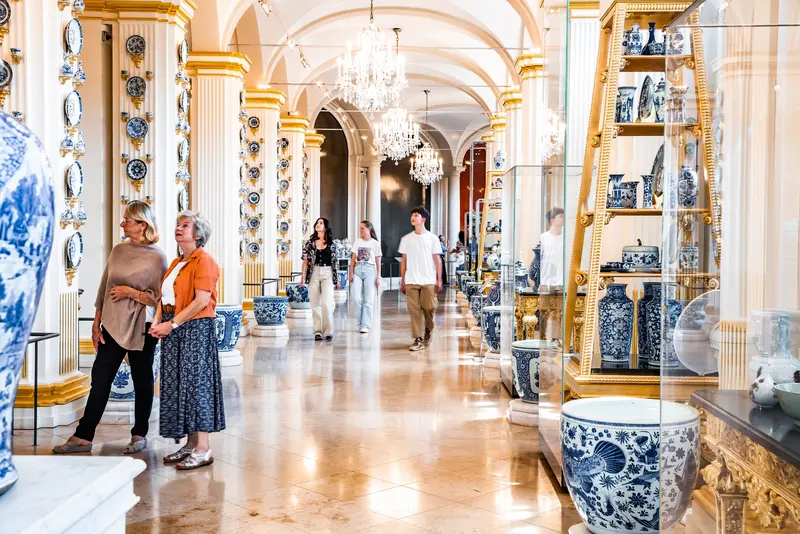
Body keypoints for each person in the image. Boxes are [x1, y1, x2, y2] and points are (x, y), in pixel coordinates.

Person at [54, 201, 168, 455]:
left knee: (143, 381)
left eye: (128, 220)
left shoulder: (158, 257)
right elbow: (104, 286)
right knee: (100, 379)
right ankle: (84, 436)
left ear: (142, 224)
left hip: (142, 327)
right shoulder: (118, 250)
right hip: (111, 324)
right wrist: (96, 323)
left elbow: (160, 298)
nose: (122, 223)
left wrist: (132, 293)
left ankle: (139, 435)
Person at [149, 212, 224, 470]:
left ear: (198, 235)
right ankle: (191, 445)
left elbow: (201, 300)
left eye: (185, 226)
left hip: (195, 328)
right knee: (179, 385)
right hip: (174, 326)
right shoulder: (176, 262)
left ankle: (204, 448)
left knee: (196, 385)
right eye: (177, 225)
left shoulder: (205, 261)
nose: (178, 229)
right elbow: (164, 296)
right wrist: (158, 321)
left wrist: (172, 324)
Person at [399, 206, 443, 351]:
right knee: (414, 310)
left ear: (423, 219)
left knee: (428, 308)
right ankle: (418, 339)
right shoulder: (406, 239)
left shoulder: (433, 238)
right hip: (411, 280)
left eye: (416, 215)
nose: (413, 217)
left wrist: (439, 279)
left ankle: (428, 330)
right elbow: (404, 260)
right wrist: (402, 279)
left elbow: (437, 259)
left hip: (428, 280)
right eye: (412, 215)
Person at [301, 217, 339, 341]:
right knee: (314, 303)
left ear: (326, 227)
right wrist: (303, 277)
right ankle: (318, 331)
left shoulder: (332, 244)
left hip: (327, 273)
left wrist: (337, 280)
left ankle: (328, 331)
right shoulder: (309, 243)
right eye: (317, 223)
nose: (318, 225)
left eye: (321, 223)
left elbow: (335, 264)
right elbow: (305, 261)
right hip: (314, 273)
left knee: (327, 303)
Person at [349, 220, 382, 334]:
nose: (360, 230)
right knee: (356, 298)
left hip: (370, 270)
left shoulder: (375, 244)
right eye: (360, 228)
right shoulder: (357, 241)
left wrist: (378, 277)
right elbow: (352, 259)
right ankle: (359, 323)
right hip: (358, 269)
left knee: (368, 299)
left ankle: (365, 325)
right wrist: (351, 273)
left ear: (369, 229)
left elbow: (378, 262)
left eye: (362, 228)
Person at [539, 207, 565, 292]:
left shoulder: (565, 238)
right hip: (546, 281)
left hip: (561, 282)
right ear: (552, 220)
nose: (563, 219)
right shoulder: (543, 238)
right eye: (560, 216)